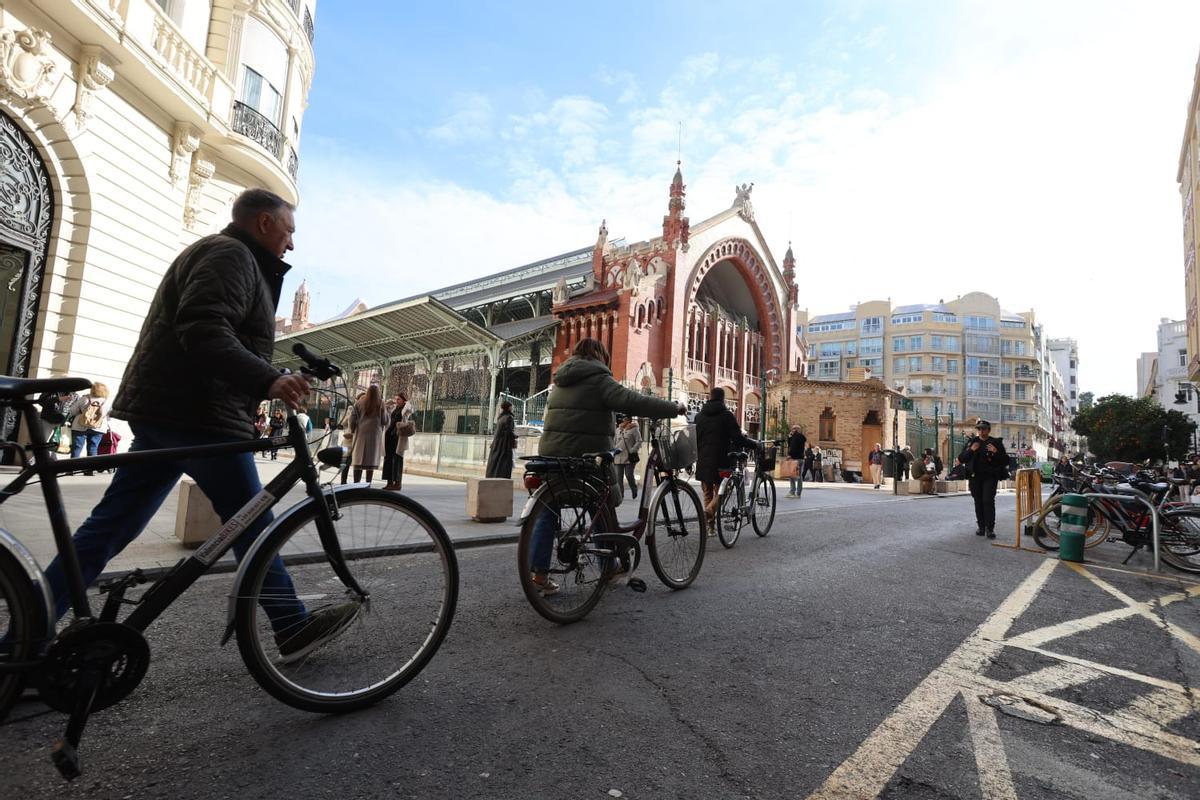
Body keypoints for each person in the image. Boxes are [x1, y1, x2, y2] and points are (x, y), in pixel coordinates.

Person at [41, 188, 355, 661]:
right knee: (253, 521)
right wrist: (268, 377)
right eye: (289, 232)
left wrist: (268, 375)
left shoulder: (227, 255)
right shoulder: (230, 255)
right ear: (265, 223)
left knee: (109, 529)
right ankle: (290, 623)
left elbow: (215, 332)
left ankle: (21, 642)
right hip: (198, 414)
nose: (291, 244)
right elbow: (205, 330)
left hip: (171, 410)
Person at [528, 338, 685, 594]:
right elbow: (633, 400)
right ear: (599, 356)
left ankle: (539, 576)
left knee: (548, 509)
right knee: (601, 504)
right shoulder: (599, 378)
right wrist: (672, 408)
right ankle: (608, 565)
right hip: (585, 457)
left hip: (552, 456)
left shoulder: (560, 381)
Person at [695, 387, 758, 530]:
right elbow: (737, 438)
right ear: (722, 399)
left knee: (707, 493)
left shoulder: (699, 416)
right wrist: (753, 445)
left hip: (703, 460)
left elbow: (695, 439)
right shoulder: (727, 415)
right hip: (722, 459)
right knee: (724, 490)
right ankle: (709, 512)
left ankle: (710, 527)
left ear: (709, 398)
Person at [958, 419, 1010, 538]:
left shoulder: (995, 442)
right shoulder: (972, 442)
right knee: (978, 501)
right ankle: (981, 527)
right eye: (979, 429)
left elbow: (1006, 461)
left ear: (988, 430)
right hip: (975, 477)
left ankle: (990, 529)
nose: (981, 431)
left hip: (990, 477)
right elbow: (961, 458)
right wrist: (971, 450)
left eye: (984, 429)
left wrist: (996, 452)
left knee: (988, 501)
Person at [350, 385, 388, 484]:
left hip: (360, 434)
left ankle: (356, 483)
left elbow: (352, 419)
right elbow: (385, 421)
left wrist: (352, 430)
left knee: (358, 459)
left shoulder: (359, 402)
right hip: (375, 435)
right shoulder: (381, 404)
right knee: (371, 460)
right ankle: (368, 483)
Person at [67, 381, 111, 459]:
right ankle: (89, 469)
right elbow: (109, 417)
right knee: (93, 448)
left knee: (77, 448)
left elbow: (72, 411)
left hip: (79, 426)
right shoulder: (107, 402)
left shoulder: (84, 398)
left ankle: (72, 469)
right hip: (98, 427)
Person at [387, 392, 414, 490]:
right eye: (396, 399)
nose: (396, 401)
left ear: (404, 400)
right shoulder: (395, 408)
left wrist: (407, 402)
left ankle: (398, 483)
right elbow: (387, 409)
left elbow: (410, 408)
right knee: (390, 459)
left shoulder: (405, 409)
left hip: (399, 436)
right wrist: (391, 402)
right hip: (391, 436)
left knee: (398, 459)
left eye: (398, 399)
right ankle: (390, 482)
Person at [486, 400, 518, 479]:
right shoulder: (509, 418)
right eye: (512, 406)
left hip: (497, 444)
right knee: (504, 464)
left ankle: (493, 476)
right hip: (504, 445)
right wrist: (515, 436)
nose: (512, 408)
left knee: (496, 463)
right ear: (509, 407)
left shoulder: (500, 417)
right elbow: (509, 431)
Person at [614, 414, 643, 499]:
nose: (624, 420)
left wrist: (633, 450)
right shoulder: (618, 429)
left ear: (629, 420)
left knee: (629, 474)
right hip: (618, 456)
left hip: (629, 457)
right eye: (623, 419)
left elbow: (639, 441)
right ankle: (621, 495)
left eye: (626, 419)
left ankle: (634, 489)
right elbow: (614, 441)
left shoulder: (634, 429)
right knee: (619, 477)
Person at [786, 425, 807, 499]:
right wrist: (789, 438)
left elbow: (793, 448)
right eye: (792, 428)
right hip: (801, 459)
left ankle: (792, 492)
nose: (792, 430)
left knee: (792, 476)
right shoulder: (801, 437)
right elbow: (791, 445)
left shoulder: (796, 437)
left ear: (797, 430)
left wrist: (790, 455)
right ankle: (798, 493)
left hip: (795, 459)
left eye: (794, 428)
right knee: (799, 477)